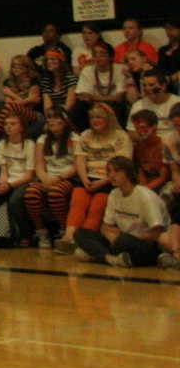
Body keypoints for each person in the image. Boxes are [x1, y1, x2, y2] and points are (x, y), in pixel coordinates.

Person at [54, 103, 132, 255]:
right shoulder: (85, 135)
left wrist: (103, 181)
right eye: (91, 117)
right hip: (87, 177)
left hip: (110, 179)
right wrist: (85, 180)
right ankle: (69, 238)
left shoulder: (121, 136)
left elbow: (123, 164)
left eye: (98, 117)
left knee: (96, 206)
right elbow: (80, 160)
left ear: (108, 119)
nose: (94, 120)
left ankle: (84, 241)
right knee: (78, 202)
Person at [73, 156, 169, 266]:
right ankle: (109, 258)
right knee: (80, 233)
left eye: (117, 171)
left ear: (129, 173)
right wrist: (113, 236)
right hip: (120, 240)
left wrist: (127, 237)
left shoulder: (145, 196)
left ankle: (99, 255)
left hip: (145, 244)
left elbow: (157, 233)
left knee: (122, 241)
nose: (111, 175)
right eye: (109, 171)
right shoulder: (114, 194)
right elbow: (105, 227)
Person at [23, 110, 76, 248]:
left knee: (55, 193)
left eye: (58, 123)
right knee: (31, 193)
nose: (55, 127)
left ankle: (64, 230)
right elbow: (39, 164)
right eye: (51, 124)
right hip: (47, 177)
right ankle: (41, 231)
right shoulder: (43, 139)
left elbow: (76, 166)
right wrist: (44, 178)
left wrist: (58, 178)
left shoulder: (74, 138)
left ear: (65, 123)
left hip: (67, 177)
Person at [0, 113, 35, 244]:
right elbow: (3, 171)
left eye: (13, 124)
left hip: (25, 181)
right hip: (8, 181)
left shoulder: (29, 145)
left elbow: (29, 175)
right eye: (6, 124)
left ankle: (26, 234)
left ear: (21, 127)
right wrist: (2, 184)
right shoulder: (2, 144)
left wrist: (9, 186)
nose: (8, 127)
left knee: (15, 201)